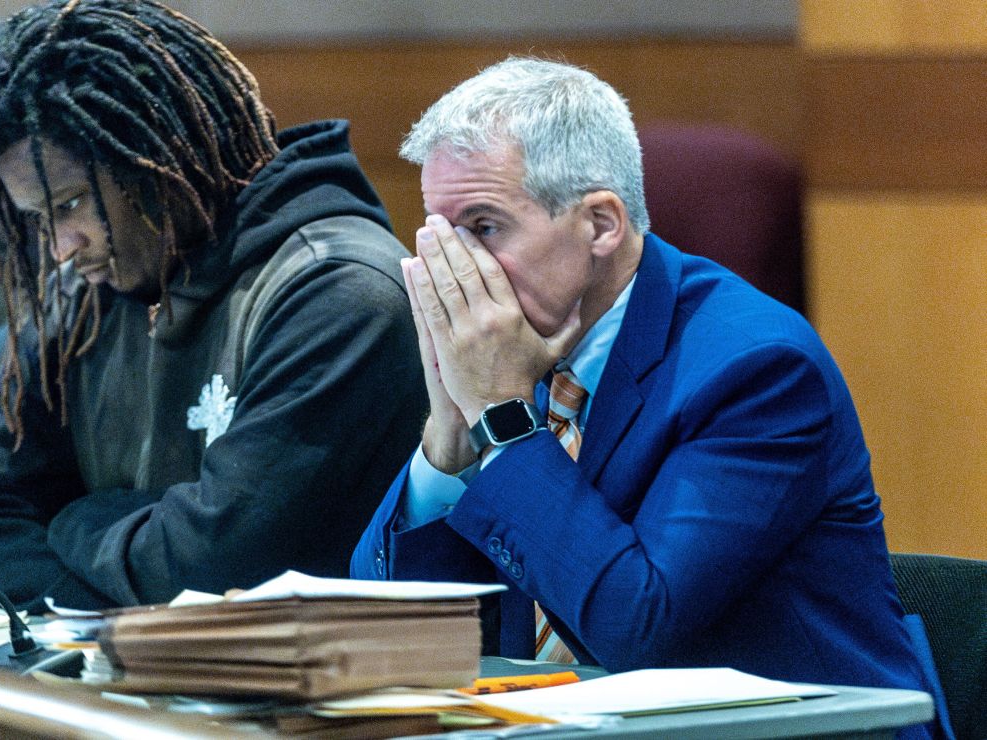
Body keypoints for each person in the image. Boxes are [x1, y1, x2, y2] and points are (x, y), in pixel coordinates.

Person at [351, 57, 946, 738]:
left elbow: (636, 627)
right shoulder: (521, 347)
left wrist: (503, 418)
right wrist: (449, 435)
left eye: (483, 228)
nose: (451, 272)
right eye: (438, 233)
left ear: (601, 224)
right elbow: (384, 633)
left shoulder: (758, 370)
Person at [0, 0, 425, 613]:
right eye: (39, 219)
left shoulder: (338, 292)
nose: (61, 247)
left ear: (156, 155)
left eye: (72, 204)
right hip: (132, 689)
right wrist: (135, 571)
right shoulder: (85, 290)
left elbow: (215, 568)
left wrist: (75, 519)